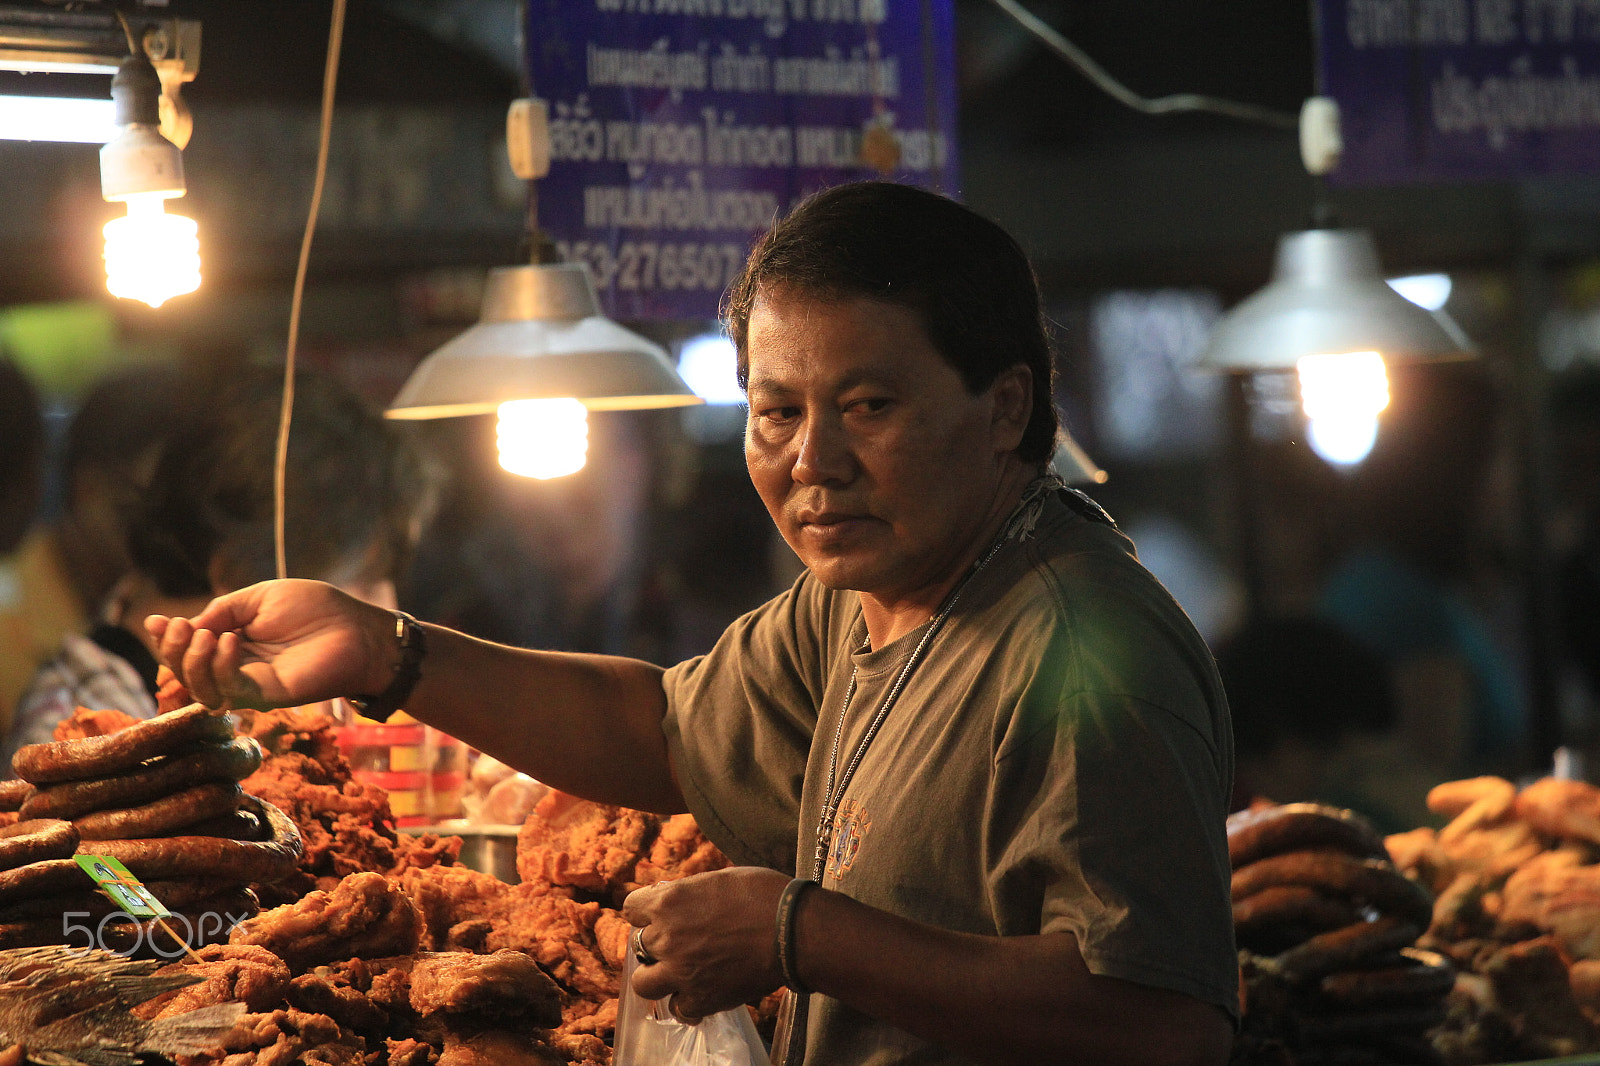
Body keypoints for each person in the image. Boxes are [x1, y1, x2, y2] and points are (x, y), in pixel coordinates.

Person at [149, 182, 1238, 1066]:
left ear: (1004, 407)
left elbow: (1160, 1021)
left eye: (869, 406)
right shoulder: (853, 601)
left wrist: (796, 934)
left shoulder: (1085, 648)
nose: (813, 461)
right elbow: (665, 730)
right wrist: (387, 650)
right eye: (776, 412)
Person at [4, 367, 432, 764]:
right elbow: (76, 850)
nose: (390, 607)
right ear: (238, 575)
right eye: (362, 583)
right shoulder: (77, 727)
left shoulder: (253, 725)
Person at [0, 364, 188, 739]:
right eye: (147, 503)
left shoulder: (136, 600)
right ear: (89, 489)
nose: (168, 525)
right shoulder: (8, 620)